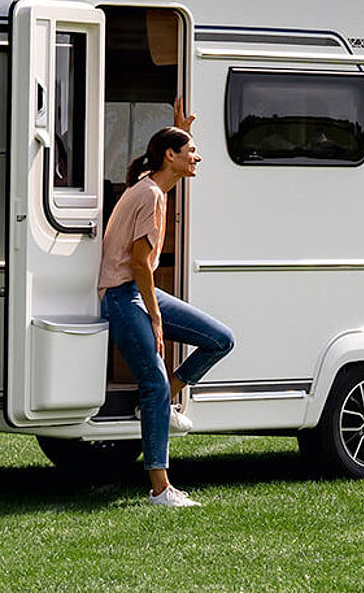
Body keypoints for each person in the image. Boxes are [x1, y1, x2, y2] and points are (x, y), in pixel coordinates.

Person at [97, 108, 236, 507]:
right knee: (153, 381)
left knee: (220, 339)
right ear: (169, 156)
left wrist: (183, 131)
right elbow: (140, 263)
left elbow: (142, 263)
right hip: (124, 297)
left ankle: (162, 399)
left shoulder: (150, 186)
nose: (198, 156)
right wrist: (156, 319)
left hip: (139, 294)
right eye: (190, 150)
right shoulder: (151, 195)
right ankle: (161, 488)